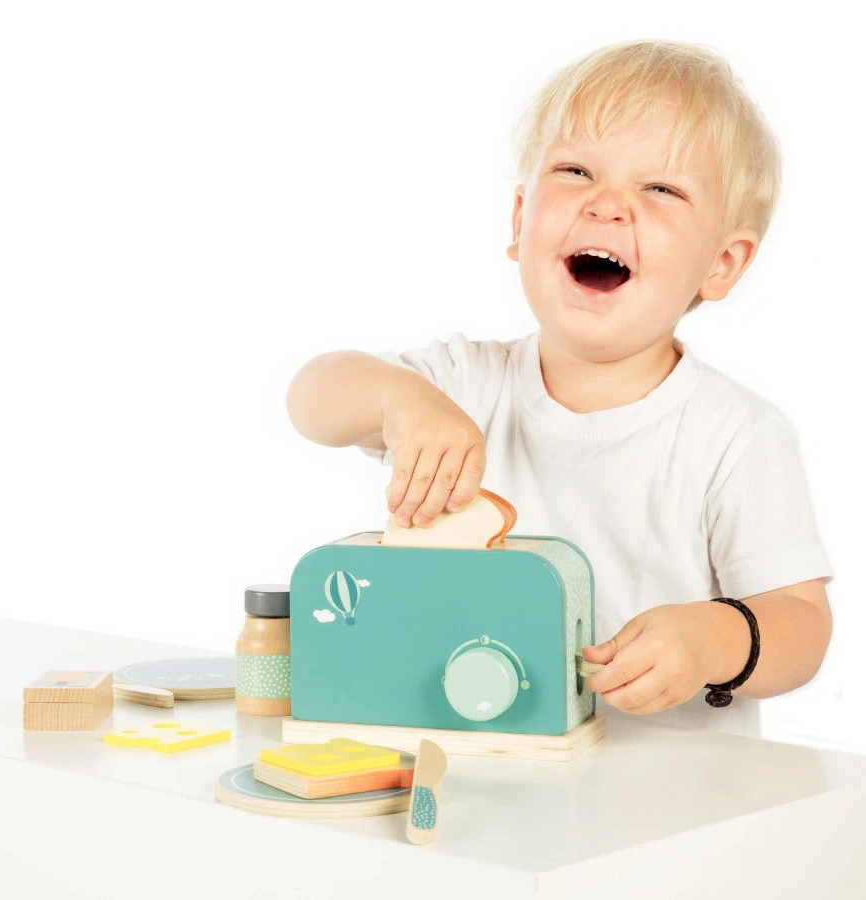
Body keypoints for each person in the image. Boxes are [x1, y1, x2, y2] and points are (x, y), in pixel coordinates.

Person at [285, 39, 833, 739]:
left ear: (721, 264)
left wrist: (712, 640)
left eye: (660, 189)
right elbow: (311, 397)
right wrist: (400, 400)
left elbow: (802, 625)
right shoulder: (463, 384)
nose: (606, 205)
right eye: (576, 171)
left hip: (670, 785)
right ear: (520, 220)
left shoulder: (735, 434)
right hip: (482, 763)